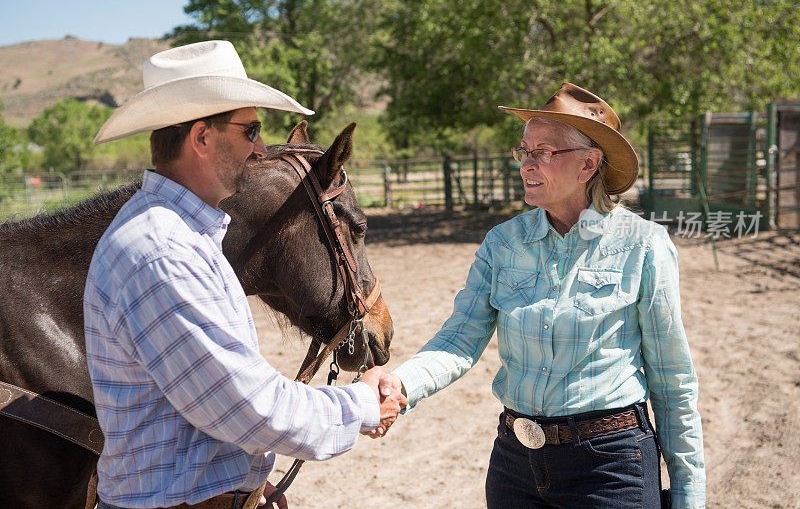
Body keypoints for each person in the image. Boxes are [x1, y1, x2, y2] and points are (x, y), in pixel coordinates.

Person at [84, 40, 406, 509]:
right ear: (201, 139)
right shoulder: (163, 253)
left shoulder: (182, 235)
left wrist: (241, 478)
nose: (261, 150)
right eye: (251, 131)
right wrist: (361, 404)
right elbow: (248, 407)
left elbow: (198, 404)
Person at [375, 83, 705, 509]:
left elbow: (672, 381)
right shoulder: (502, 243)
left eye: (544, 151)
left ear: (589, 163)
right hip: (516, 466)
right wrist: (400, 383)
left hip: (610, 467)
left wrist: (688, 495)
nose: (526, 163)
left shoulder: (644, 245)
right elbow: (459, 340)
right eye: (524, 151)